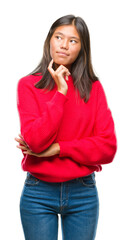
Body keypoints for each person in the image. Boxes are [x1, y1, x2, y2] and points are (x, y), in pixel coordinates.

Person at [15, 15, 117, 240]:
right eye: (58, 37)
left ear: (82, 48)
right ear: (49, 40)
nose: (63, 44)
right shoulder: (28, 85)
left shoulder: (93, 88)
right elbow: (36, 142)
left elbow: (107, 148)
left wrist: (59, 148)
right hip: (38, 192)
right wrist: (61, 92)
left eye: (73, 40)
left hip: (83, 193)